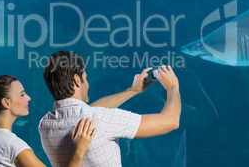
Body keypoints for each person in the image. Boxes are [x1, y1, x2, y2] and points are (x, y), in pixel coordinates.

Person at [39, 51, 182, 167]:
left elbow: (87, 110)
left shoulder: (45, 125)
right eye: (85, 78)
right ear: (77, 80)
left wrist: (131, 91)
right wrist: (172, 87)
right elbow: (170, 121)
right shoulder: (101, 119)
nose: (87, 84)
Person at [0, 75, 96, 167]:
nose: (28, 98)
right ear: (6, 103)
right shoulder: (14, 146)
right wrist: (79, 151)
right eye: (22, 95)